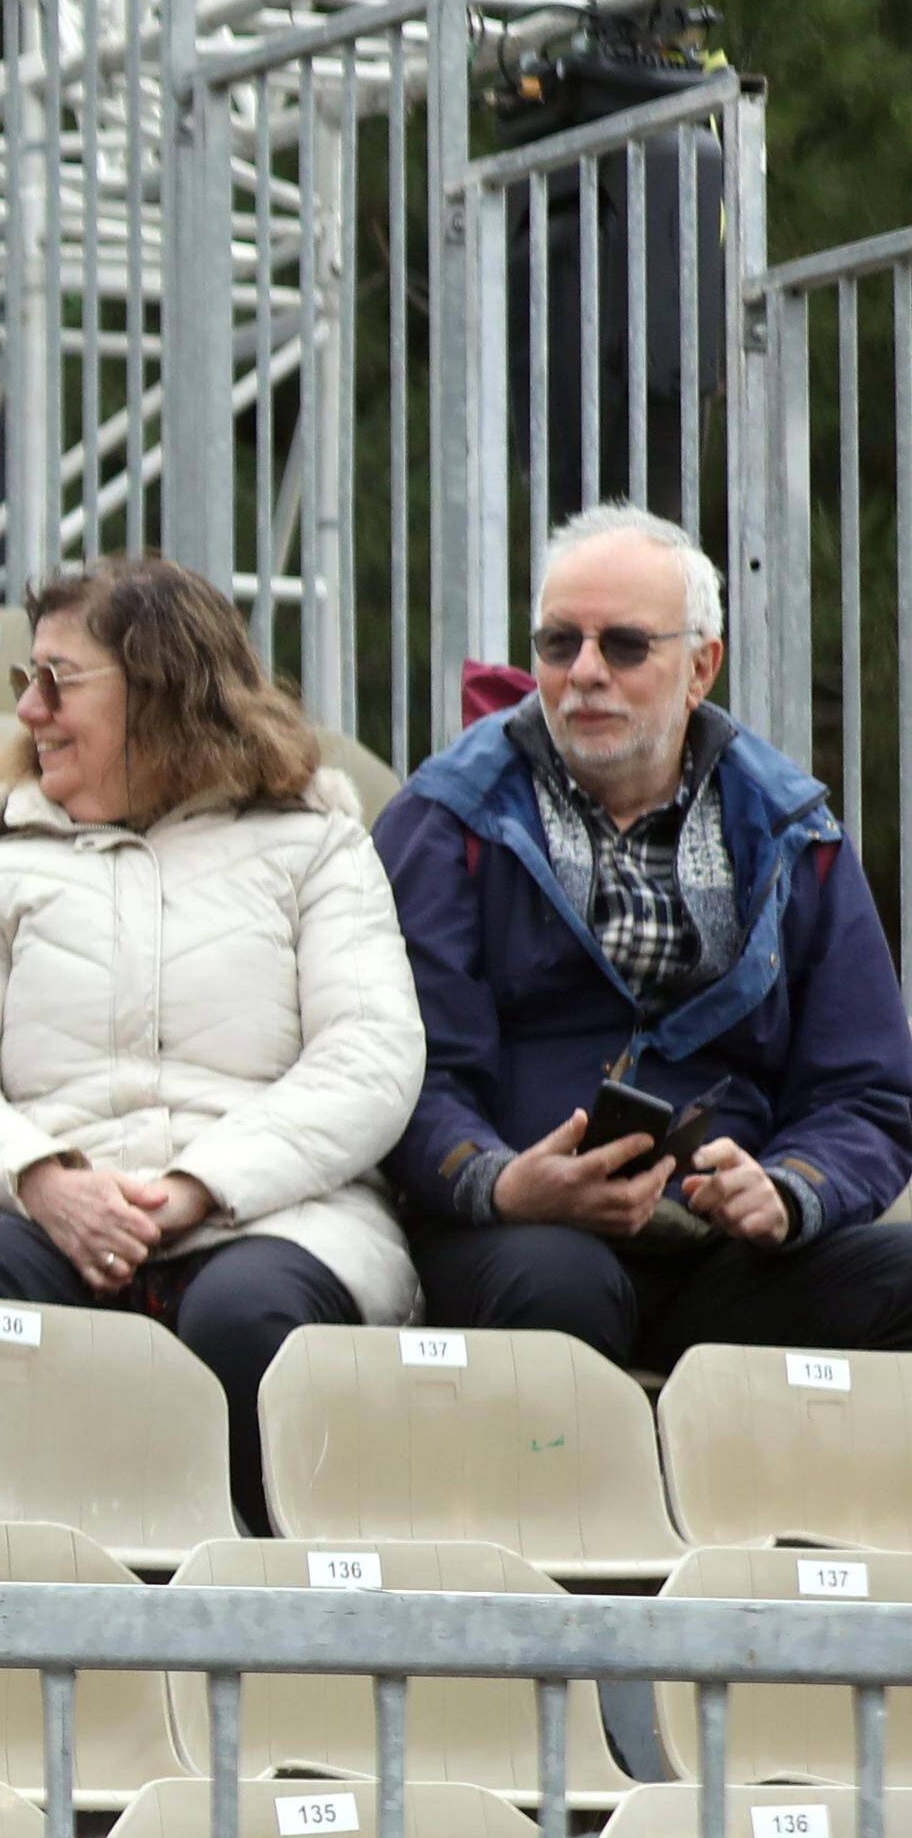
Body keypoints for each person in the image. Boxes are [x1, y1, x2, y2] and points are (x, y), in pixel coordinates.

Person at [0, 550, 424, 1532]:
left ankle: (265, 1594)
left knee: (245, 1315)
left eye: (59, 681)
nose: (30, 710)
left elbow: (370, 1060)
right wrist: (43, 1180)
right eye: (25, 678)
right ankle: (9, 1586)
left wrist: (195, 1188)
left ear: (162, 688)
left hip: (273, 1215)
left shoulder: (317, 847)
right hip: (51, 1215)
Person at [376, 502, 912, 1366]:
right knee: (558, 1289)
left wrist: (788, 1190)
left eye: (624, 646)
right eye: (559, 643)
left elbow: (865, 1089)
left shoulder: (793, 831)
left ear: (701, 667)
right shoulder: (447, 821)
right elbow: (405, 1071)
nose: (585, 672)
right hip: (513, 1230)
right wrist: (500, 1180)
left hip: (725, 1251)